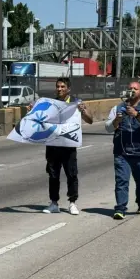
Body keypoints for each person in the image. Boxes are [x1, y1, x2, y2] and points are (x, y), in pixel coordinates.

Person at [40, 77, 93, 215]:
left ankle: (72, 202)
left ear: (68, 89)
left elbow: (90, 119)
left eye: (63, 87)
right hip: (53, 145)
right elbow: (40, 119)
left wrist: (83, 111)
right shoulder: (50, 104)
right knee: (53, 175)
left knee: (71, 174)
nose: (59, 89)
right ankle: (54, 203)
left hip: (68, 146)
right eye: (58, 86)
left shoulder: (76, 103)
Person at [105, 81, 140, 220]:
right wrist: (116, 121)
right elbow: (108, 127)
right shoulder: (118, 107)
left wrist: (137, 115)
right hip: (122, 152)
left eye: (135, 88)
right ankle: (120, 208)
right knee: (121, 180)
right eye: (130, 88)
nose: (132, 90)